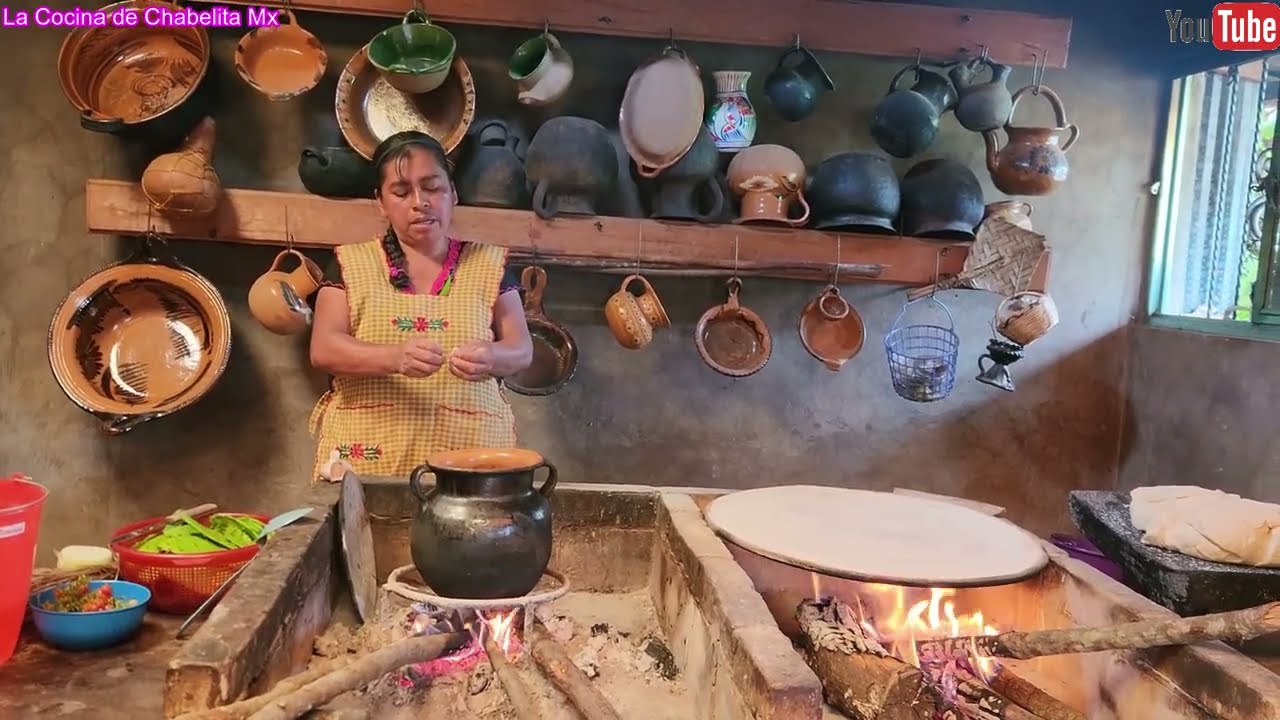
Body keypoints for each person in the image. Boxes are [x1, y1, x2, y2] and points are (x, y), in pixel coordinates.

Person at [307, 130, 533, 482]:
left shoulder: (491, 265)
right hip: (369, 462)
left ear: (452, 194)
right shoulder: (350, 263)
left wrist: (491, 357)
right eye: (401, 191)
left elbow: (521, 349)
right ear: (381, 202)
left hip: (469, 464)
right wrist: (395, 358)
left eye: (432, 187)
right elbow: (324, 348)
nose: (419, 201)